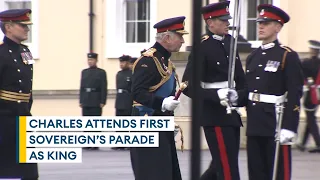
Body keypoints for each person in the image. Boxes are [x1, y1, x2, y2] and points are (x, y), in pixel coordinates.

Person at [182, 1, 247, 180]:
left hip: (232, 112)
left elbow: (240, 78)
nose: (228, 23)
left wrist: (240, 96)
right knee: (226, 167)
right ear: (210, 23)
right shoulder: (202, 46)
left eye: (228, 19)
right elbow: (188, 84)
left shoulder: (230, 41)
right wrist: (215, 94)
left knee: (224, 162)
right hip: (214, 115)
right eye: (223, 20)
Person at [245, 4, 304, 180]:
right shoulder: (253, 57)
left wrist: (289, 127)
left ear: (278, 27)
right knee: (256, 172)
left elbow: (295, 93)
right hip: (255, 123)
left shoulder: (287, 56)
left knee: (279, 172)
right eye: (260, 22)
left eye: (267, 23)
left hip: (276, 124)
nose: (261, 26)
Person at [130, 16, 188, 180]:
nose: (183, 41)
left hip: (162, 126)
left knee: (167, 173)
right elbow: (137, 92)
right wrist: (162, 103)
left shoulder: (165, 61)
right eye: (180, 36)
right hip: (147, 126)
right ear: (167, 37)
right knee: (154, 173)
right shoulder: (148, 62)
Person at [0, 9, 38, 179]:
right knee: (8, 170)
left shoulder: (26, 51)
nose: (27, 29)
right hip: (4, 117)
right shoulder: (0, 53)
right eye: (23, 26)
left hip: (23, 116)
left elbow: (28, 84)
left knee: (29, 171)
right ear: (8, 27)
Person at [79, 52, 107, 150]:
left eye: (92, 60)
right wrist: (81, 100)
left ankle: (95, 143)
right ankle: (87, 142)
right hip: (86, 99)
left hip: (96, 100)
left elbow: (104, 87)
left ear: (96, 60)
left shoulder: (101, 72)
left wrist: (103, 101)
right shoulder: (84, 72)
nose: (90, 62)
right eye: (89, 60)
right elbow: (82, 87)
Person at [296, 40, 320, 153]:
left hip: (310, 93)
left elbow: (300, 76)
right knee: (310, 117)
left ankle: (318, 143)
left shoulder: (306, 63)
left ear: (312, 50)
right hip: (318, 93)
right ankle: (303, 143)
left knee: (311, 118)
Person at [112, 54, 133, 151]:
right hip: (119, 100)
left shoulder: (132, 73)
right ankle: (120, 142)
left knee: (128, 122)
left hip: (128, 100)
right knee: (119, 123)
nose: (121, 64)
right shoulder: (118, 74)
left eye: (123, 62)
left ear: (128, 63)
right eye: (120, 62)